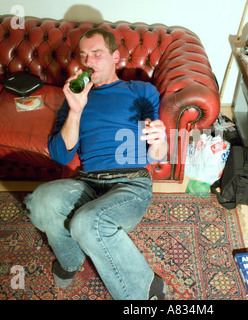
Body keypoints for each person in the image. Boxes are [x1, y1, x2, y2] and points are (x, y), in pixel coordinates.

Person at [24, 28, 168, 300]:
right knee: (41, 200)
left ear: (115, 57)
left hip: (130, 181)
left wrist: (160, 139)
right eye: (84, 56)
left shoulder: (140, 90)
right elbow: (61, 155)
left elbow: (157, 152)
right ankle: (70, 261)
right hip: (87, 181)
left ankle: (147, 292)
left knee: (86, 222)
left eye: (97, 54)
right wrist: (76, 110)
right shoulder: (74, 99)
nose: (88, 62)